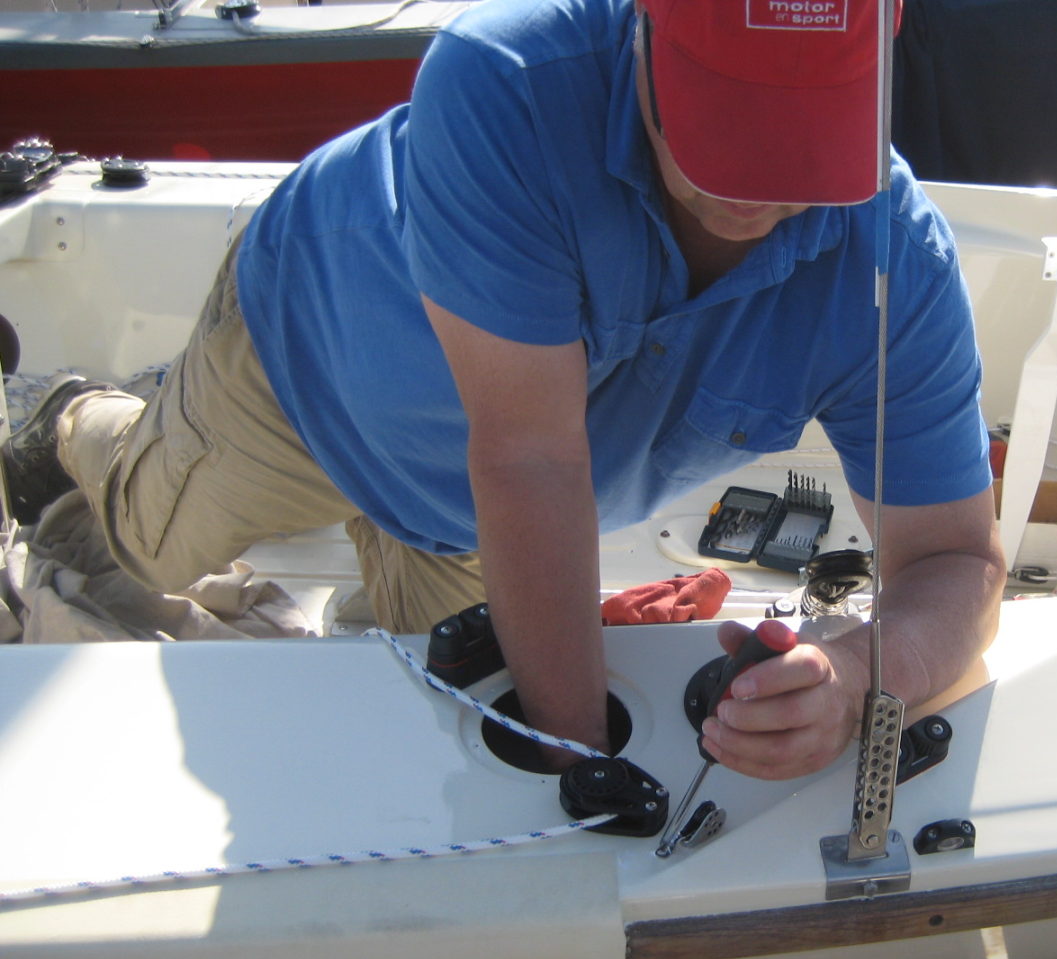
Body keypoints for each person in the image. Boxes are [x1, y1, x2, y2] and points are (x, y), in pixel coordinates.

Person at [1, 0, 1004, 779]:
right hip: (308, 368)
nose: (752, 180)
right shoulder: (503, 76)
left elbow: (957, 562)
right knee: (146, 536)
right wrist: (577, 755)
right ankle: (80, 420)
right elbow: (529, 459)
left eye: (798, 128)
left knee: (420, 742)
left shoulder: (895, 262)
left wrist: (858, 675)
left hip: (471, 518)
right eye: (729, 110)